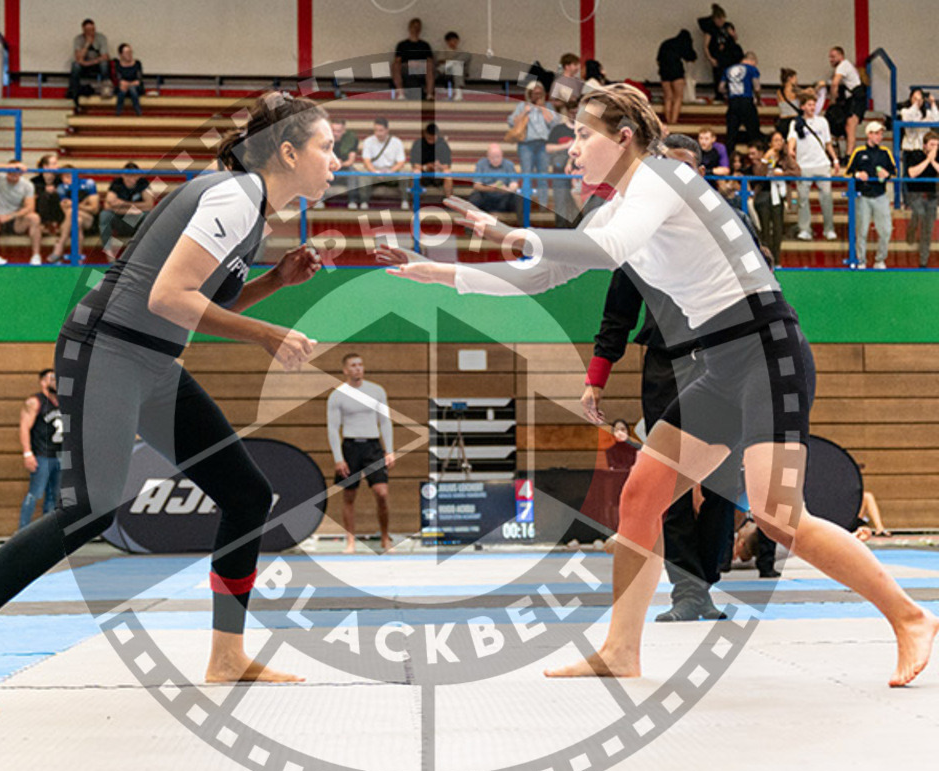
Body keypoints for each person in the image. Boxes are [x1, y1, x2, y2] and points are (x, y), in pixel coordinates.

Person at [379, 82, 938, 688]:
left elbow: (607, 249)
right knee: (641, 497)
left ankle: (910, 617)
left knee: (778, 515)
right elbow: (539, 277)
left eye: (582, 135)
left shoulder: (663, 177)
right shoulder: (612, 207)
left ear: (623, 139)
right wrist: (443, 273)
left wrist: (507, 232)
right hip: (718, 364)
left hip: (767, 352)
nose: (570, 149)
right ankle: (622, 649)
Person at [0, 91, 336, 716]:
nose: (337, 160)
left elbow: (188, 311)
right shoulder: (232, 196)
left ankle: (225, 656)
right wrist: (270, 336)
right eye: (328, 147)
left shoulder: (250, 212)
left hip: (153, 361)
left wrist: (276, 283)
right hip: (107, 351)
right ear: (289, 151)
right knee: (89, 510)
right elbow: (170, 296)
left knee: (246, 495)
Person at [587, 133, 736, 622]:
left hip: (723, 357)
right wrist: (597, 377)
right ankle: (687, 592)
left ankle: (706, 577)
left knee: (722, 478)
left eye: (687, 168)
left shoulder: (727, 222)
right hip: (665, 364)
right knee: (664, 477)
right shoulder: (638, 227)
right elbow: (616, 313)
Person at [327, 353, 395, 554]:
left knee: (382, 493)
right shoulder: (337, 395)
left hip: (373, 447)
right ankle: (350, 541)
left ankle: (385, 538)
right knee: (349, 495)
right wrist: (338, 459)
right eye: (353, 366)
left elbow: (385, 421)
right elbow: (332, 428)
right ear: (345, 370)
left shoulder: (376, 391)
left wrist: (389, 450)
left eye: (360, 365)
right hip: (350, 447)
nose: (358, 368)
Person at [788, 90, 841, 242]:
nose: (812, 107)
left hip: (822, 165)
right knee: (803, 199)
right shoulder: (795, 123)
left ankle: (829, 228)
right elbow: (792, 139)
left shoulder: (822, 122)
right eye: (809, 105)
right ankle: (805, 229)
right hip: (804, 166)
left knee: (826, 197)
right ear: (803, 106)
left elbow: (828, 143)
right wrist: (791, 149)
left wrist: (835, 160)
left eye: (814, 104)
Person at [846, 120, 897, 270]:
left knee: (886, 230)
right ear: (869, 134)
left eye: (881, 134)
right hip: (863, 197)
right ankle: (860, 260)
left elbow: (895, 174)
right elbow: (847, 173)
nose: (880, 136)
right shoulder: (858, 152)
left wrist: (886, 174)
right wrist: (858, 174)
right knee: (861, 231)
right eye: (876, 133)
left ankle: (880, 259)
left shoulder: (885, 153)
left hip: (881, 196)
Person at [17, 369, 64, 530]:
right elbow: (24, 427)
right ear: (43, 382)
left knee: (54, 497)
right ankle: (22, 531)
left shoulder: (63, 401)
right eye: (52, 379)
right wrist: (27, 453)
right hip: (42, 455)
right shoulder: (35, 402)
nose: (56, 382)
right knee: (35, 493)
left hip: (60, 455)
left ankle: (48, 533)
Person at [752, 131, 799, 267]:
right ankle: (767, 260)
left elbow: (797, 172)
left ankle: (777, 260)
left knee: (778, 230)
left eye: (781, 140)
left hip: (779, 197)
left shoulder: (786, 158)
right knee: (765, 230)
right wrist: (766, 159)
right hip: (763, 195)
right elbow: (759, 174)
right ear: (770, 143)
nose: (778, 143)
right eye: (776, 140)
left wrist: (783, 173)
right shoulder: (764, 156)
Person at [0, 160, 43, 266]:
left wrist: (10, 216)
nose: (14, 174)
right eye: (11, 171)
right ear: (7, 171)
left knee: (35, 218)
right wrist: (10, 166)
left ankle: (36, 256)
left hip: (13, 219)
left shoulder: (27, 185)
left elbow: (30, 207)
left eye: (17, 171)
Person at [507, 82, 557, 201]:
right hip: (526, 145)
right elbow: (511, 122)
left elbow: (555, 123)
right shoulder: (522, 105)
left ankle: (543, 204)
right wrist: (525, 111)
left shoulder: (548, 106)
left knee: (542, 176)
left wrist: (543, 109)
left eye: (540, 94)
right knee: (526, 175)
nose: (537, 96)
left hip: (543, 145)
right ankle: (525, 203)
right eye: (535, 94)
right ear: (529, 94)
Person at [99, 161, 156, 259]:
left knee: (148, 215)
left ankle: (145, 254)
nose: (130, 178)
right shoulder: (117, 183)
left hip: (136, 221)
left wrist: (123, 204)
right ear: (122, 175)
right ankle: (109, 253)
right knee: (105, 215)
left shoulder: (143, 183)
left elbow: (149, 205)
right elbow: (107, 206)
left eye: (133, 175)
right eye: (127, 175)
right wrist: (129, 210)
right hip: (121, 221)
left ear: (138, 176)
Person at [48, 165, 101, 263]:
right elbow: (65, 211)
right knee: (76, 220)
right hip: (73, 221)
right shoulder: (62, 188)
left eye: (70, 175)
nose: (69, 179)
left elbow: (94, 209)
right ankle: (78, 258)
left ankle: (59, 246)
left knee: (72, 212)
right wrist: (84, 203)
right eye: (65, 177)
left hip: (89, 220)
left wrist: (74, 204)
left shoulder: (88, 184)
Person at [904, 128, 939, 268]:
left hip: (932, 195)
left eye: (937, 145)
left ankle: (923, 261)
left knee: (927, 229)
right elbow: (912, 173)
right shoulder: (916, 154)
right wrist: (928, 160)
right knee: (919, 213)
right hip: (915, 194)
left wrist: (933, 161)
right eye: (932, 145)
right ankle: (911, 231)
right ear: (924, 145)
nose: (935, 148)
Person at [358, 117, 407, 210]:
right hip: (374, 171)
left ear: (387, 130)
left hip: (391, 171)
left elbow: (401, 162)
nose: (378, 133)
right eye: (376, 130)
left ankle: (405, 201)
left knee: (404, 174)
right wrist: (375, 172)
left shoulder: (397, 142)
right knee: (363, 174)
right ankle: (364, 202)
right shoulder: (368, 141)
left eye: (381, 130)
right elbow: (366, 161)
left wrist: (390, 171)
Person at [828, 46, 867, 161]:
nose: (831, 59)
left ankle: (849, 155)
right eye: (830, 57)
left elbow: (835, 84)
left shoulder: (843, 65)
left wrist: (832, 101)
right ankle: (850, 153)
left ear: (841, 56)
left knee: (850, 126)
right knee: (847, 127)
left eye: (833, 56)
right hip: (851, 99)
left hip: (857, 98)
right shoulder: (844, 66)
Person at [721, 51, 762, 157]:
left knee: (731, 134)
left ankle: (730, 159)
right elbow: (757, 87)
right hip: (747, 102)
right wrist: (758, 99)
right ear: (753, 61)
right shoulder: (752, 69)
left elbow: (721, 88)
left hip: (733, 103)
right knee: (754, 132)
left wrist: (728, 94)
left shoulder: (728, 69)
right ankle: (756, 157)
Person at [698, 4, 742, 100]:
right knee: (719, 77)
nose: (721, 22)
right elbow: (705, 46)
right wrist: (710, 58)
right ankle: (720, 96)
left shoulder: (728, 26)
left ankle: (733, 95)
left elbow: (735, 40)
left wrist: (733, 34)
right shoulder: (710, 29)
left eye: (722, 19)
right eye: (718, 20)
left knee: (733, 77)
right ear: (714, 19)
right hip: (718, 57)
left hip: (730, 56)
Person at [468, 143, 521, 219]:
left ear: (502, 155)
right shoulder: (481, 164)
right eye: (493, 157)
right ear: (488, 156)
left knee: (519, 198)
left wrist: (506, 189)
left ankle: (524, 227)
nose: (496, 159)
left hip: (504, 197)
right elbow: (476, 185)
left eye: (498, 157)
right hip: (486, 197)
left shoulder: (509, 165)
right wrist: (490, 188)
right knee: (474, 197)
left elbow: (514, 185)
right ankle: (470, 227)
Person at [68, 19, 111, 111]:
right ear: (83, 30)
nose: (91, 32)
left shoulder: (101, 38)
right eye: (88, 30)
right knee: (75, 66)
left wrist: (89, 62)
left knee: (104, 64)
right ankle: (74, 94)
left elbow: (105, 57)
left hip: (96, 64)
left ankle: (106, 90)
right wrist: (87, 44)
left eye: (92, 30)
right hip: (83, 65)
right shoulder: (78, 39)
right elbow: (78, 58)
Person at [656, 30, 697, 126]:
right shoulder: (683, 44)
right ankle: (673, 122)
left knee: (668, 98)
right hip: (677, 72)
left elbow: (658, 60)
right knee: (678, 97)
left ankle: (667, 121)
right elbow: (691, 57)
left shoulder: (666, 43)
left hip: (664, 72)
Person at [392, 17, 434, 101]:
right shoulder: (402, 44)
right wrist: (410, 63)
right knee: (395, 66)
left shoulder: (425, 45)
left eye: (418, 27)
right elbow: (397, 60)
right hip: (406, 67)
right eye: (414, 26)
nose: (416, 29)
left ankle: (429, 94)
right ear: (409, 28)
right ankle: (401, 93)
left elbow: (430, 60)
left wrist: (420, 63)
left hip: (421, 67)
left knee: (429, 66)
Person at [409, 122, 453, 199]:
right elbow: (415, 164)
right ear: (425, 134)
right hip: (423, 172)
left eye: (433, 138)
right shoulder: (418, 144)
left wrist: (439, 166)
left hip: (438, 173)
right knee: (415, 172)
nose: (431, 141)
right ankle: (415, 201)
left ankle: (449, 200)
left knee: (448, 173)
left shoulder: (443, 144)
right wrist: (426, 167)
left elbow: (447, 165)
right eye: (429, 138)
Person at [324, 117, 359, 209]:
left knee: (353, 172)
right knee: (319, 170)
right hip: (329, 169)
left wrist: (340, 164)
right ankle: (320, 201)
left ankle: (352, 201)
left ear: (344, 131)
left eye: (338, 131)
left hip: (344, 169)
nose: (335, 134)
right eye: (333, 130)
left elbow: (350, 161)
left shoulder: (351, 139)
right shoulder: (324, 140)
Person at [31, 153, 65, 236]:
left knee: (55, 195)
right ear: (45, 166)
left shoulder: (60, 180)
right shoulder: (35, 181)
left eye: (57, 163)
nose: (57, 166)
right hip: (40, 209)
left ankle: (56, 224)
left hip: (56, 209)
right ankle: (45, 224)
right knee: (44, 195)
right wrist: (42, 190)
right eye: (54, 164)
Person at [436, 31, 471, 101]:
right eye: (452, 41)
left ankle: (451, 64)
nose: (454, 43)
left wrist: (451, 61)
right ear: (447, 42)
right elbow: (440, 61)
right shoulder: (444, 50)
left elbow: (466, 64)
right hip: (447, 71)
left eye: (455, 41)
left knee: (467, 55)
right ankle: (458, 94)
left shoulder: (460, 52)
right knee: (457, 66)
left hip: (455, 70)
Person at [114, 43, 144, 117]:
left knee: (132, 89)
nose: (129, 54)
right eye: (127, 53)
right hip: (123, 88)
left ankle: (138, 112)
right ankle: (118, 113)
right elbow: (119, 80)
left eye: (130, 52)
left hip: (136, 88)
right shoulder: (117, 65)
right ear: (121, 54)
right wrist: (127, 84)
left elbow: (138, 80)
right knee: (122, 90)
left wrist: (128, 84)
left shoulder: (137, 63)